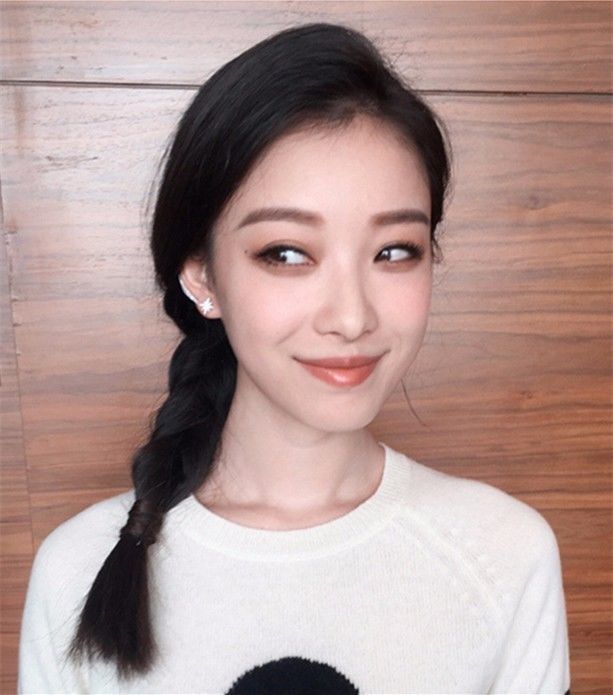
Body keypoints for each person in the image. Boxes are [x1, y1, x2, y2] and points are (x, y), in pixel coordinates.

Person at [17, 22, 571, 694]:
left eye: (394, 251)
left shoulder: (504, 555)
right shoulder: (78, 570)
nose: (351, 317)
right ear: (201, 275)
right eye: (286, 253)